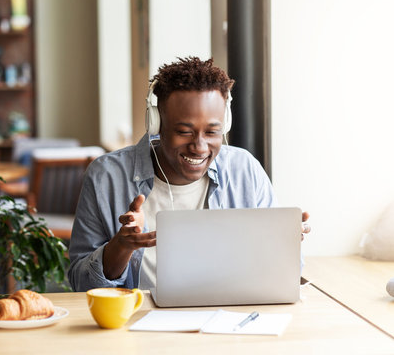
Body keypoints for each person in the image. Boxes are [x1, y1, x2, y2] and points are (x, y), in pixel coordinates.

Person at [68, 57, 310, 292]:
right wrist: (121, 247)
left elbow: (282, 276)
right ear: (156, 124)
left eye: (212, 132)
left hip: (227, 320)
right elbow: (80, 284)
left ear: (225, 125)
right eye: (184, 132)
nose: (200, 146)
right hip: (138, 324)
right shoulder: (106, 176)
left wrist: (283, 245)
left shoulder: (244, 170)